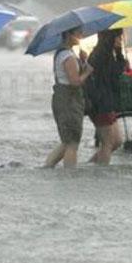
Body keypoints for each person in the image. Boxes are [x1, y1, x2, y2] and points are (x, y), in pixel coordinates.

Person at [44, 26, 93, 169]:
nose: (81, 36)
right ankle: (69, 175)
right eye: (78, 33)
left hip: (64, 99)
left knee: (67, 140)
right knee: (72, 142)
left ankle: (47, 167)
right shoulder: (67, 56)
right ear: (68, 35)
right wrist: (88, 72)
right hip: (69, 101)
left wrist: (83, 61)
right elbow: (75, 81)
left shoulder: (65, 53)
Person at [85, 29, 127, 165]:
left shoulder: (109, 54)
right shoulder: (99, 55)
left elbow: (118, 72)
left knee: (117, 141)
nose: (120, 40)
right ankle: (101, 174)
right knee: (108, 142)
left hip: (108, 102)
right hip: (100, 104)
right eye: (118, 37)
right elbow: (103, 77)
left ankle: (89, 165)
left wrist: (120, 54)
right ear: (110, 38)